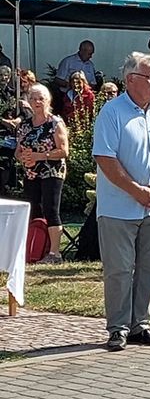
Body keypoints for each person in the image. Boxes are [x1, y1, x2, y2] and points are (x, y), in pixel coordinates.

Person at [93, 52, 150, 352]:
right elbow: (105, 158)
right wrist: (135, 190)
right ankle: (118, 327)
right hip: (119, 207)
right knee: (119, 269)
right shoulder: (112, 112)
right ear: (131, 79)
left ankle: (140, 325)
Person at [16, 84, 70, 264]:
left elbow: (63, 151)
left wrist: (40, 156)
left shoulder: (55, 123)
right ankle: (36, 249)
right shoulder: (24, 125)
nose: (37, 102)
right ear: (28, 102)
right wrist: (24, 158)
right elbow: (18, 151)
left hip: (52, 172)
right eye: (33, 98)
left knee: (50, 209)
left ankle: (55, 253)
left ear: (48, 101)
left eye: (41, 98)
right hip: (31, 173)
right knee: (32, 209)